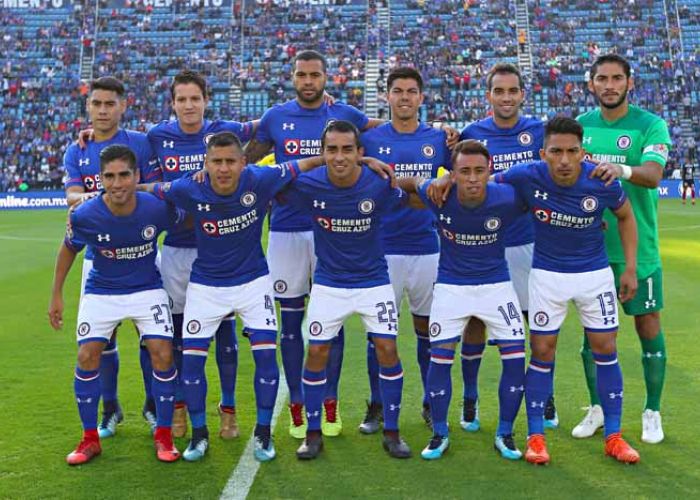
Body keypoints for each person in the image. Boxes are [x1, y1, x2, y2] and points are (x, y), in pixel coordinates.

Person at [141, 131, 356, 462]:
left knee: (266, 359)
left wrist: (354, 160)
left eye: (230, 161)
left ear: (244, 163)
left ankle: (263, 432)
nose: (224, 169)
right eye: (217, 162)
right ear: (206, 164)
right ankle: (199, 435)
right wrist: (102, 194)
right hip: (206, 286)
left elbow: (304, 164)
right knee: (193, 363)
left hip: (254, 283)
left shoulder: (261, 178)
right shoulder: (188, 188)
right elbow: (151, 190)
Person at [243, 50, 384, 439]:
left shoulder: (344, 117)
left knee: (331, 322)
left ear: (327, 78)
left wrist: (373, 161)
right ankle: (298, 404)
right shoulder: (275, 117)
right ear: (293, 77)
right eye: (302, 75)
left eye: (315, 75)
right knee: (290, 322)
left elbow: (382, 133)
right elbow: (246, 161)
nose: (308, 81)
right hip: (286, 229)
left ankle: (329, 401)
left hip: (332, 230)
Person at [495, 117, 640, 465]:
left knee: (606, 348)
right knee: (542, 351)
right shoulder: (527, 174)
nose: (563, 159)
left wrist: (631, 268)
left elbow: (625, 216)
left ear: (582, 152)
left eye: (571, 151)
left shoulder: (600, 179)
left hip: (594, 276)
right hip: (547, 276)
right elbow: (485, 184)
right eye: (556, 151)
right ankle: (536, 437)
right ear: (543, 152)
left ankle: (614, 437)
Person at [282, 120, 411, 460]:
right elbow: (267, 179)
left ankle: (393, 432)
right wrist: (311, 162)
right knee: (316, 354)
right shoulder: (308, 184)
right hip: (329, 284)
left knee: (387, 349)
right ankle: (312, 434)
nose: (339, 157)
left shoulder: (378, 183)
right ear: (322, 152)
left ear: (359, 152)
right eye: (332, 150)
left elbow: (407, 189)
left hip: (373, 281)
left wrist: (370, 165)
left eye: (347, 150)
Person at [48, 144, 181, 465]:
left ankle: (164, 434)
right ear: (100, 179)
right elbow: (68, 249)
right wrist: (56, 294)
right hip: (102, 290)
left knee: (162, 351)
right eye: (110, 176)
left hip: (146, 287)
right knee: (86, 354)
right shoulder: (85, 214)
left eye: (124, 175)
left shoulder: (156, 208)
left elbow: (185, 227)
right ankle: (89, 438)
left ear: (137, 176)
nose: (118, 183)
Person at [146, 70, 257, 440]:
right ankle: (179, 406)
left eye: (195, 98)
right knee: (178, 335)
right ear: (173, 103)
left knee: (224, 334)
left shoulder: (228, 130)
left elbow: (272, 124)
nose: (189, 106)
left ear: (206, 100)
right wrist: (88, 136)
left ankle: (228, 409)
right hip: (177, 249)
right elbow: (123, 146)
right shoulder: (157, 136)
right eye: (182, 99)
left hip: (220, 249)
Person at [402, 140, 527, 461]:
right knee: (439, 358)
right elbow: (407, 181)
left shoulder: (508, 196)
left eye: (479, 171)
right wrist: (433, 180)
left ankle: (505, 432)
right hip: (451, 287)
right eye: (464, 171)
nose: (472, 178)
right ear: (453, 174)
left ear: (490, 172)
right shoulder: (438, 194)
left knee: (515, 359)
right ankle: (440, 432)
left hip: (497, 286)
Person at [576, 54, 672, 444]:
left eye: (617, 78)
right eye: (602, 78)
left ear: (629, 83)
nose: (610, 85)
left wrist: (622, 169)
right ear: (592, 84)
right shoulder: (580, 127)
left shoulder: (650, 125)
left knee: (647, 326)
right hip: (590, 251)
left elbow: (653, 175)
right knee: (592, 335)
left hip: (639, 250)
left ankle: (652, 410)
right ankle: (597, 408)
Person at [458, 63, 556, 431]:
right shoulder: (472, 134)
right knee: (475, 322)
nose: (506, 97)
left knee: (538, 324)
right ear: (488, 96)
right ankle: (470, 398)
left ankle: (544, 396)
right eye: (499, 91)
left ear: (522, 94)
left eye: (512, 91)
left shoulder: (538, 131)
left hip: (529, 242)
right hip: (483, 244)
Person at [64, 76, 161, 438]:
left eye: (109, 104)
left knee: (148, 335)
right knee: (103, 339)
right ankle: (110, 408)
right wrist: (97, 198)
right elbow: (72, 195)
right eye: (96, 104)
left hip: (142, 251)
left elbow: (151, 188)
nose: (102, 110)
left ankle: (152, 405)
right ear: (88, 107)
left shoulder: (139, 142)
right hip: (98, 255)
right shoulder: (77, 150)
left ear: (123, 105)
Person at [359, 66, 451, 433]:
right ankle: (378, 404)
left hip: (427, 247)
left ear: (421, 98)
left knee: (427, 329)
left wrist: (424, 191)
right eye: (398, 91)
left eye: (412, 91)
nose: (405, 97)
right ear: (387, 96)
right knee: (379, 332)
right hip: (383, 248)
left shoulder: (439, 139)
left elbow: (454, 177)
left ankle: (430, 403)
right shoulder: (371, 140)